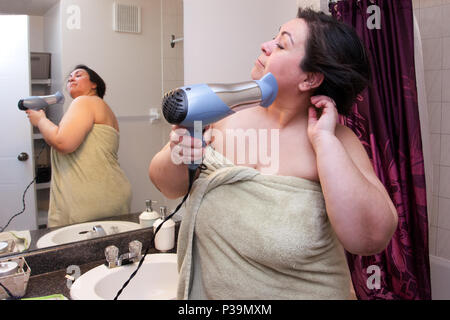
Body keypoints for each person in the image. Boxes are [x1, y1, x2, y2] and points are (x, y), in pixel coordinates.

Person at [149, 8, 398, 299]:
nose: (265, 46)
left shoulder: (338, 142)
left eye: (281, 44)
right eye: (273, 38)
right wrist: (177, 152)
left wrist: (325, 143)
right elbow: (166, 185)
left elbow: (370, 238)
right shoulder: (224, 114)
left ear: (309, 79)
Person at [26, 64, 132, 228]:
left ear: (94, 84)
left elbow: (63, 142)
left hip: (93, 200)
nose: (71, 78)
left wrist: (40, 120)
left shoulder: (85, 101)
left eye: (78, 75)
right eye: (70, 78)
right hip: (107, 194)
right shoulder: (97, 106)